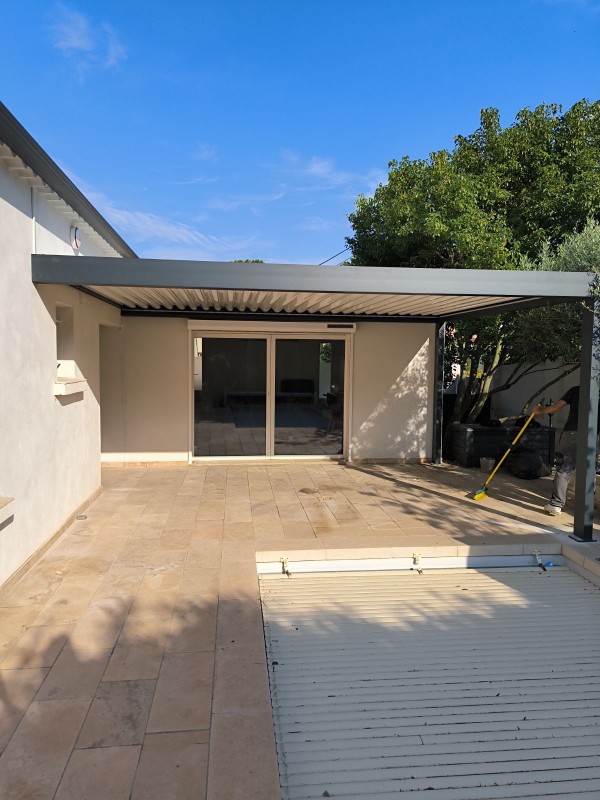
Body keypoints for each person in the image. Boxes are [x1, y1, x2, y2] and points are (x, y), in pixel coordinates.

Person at [531, 385, 589, 515]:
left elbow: (555, 407)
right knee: (588, 469)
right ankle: (586, 506)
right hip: (592, 435)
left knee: (565, 467)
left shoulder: (577, 390)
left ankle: (556, 504)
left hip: (572, 433)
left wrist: (539, 410)